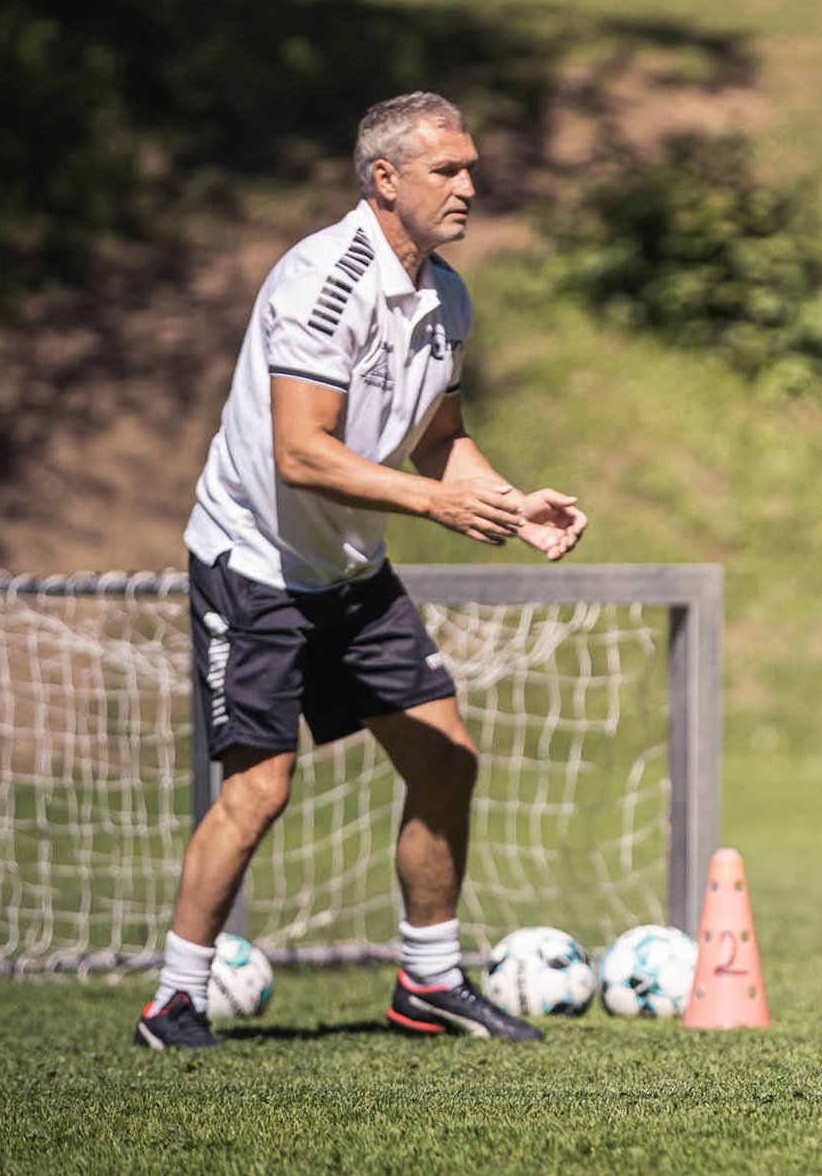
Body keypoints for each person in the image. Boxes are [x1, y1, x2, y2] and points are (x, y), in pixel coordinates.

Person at [134, 92, 589, 1049]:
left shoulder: (446, 296)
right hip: (254, 563)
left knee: (445, 757)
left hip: (348, 568)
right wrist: (436, 505)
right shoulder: (320, 282)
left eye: (470, 167)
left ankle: (427, 982)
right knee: (259, 790)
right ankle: (173, 1001)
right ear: (385, 180)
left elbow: (439, 443)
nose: (469, 186)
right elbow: (302, 453)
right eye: (446, 171)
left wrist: (511, 504)